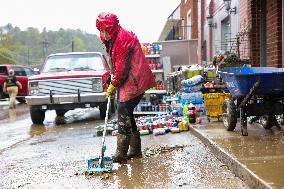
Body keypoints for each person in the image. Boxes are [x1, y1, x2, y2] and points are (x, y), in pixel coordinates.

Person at [96, 13, 156, 163]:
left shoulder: (123, 39)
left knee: (123, 110)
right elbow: (115, 63)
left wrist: (113, 85)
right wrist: (112, 78)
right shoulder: (109, 38)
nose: (103, 34)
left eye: (106, 31)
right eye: (101, 31)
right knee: (126, 111)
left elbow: (121, 70)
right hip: (127, 79)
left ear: (113, 29)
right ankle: (135, 150)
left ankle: (121, 152)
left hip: (135, 79)